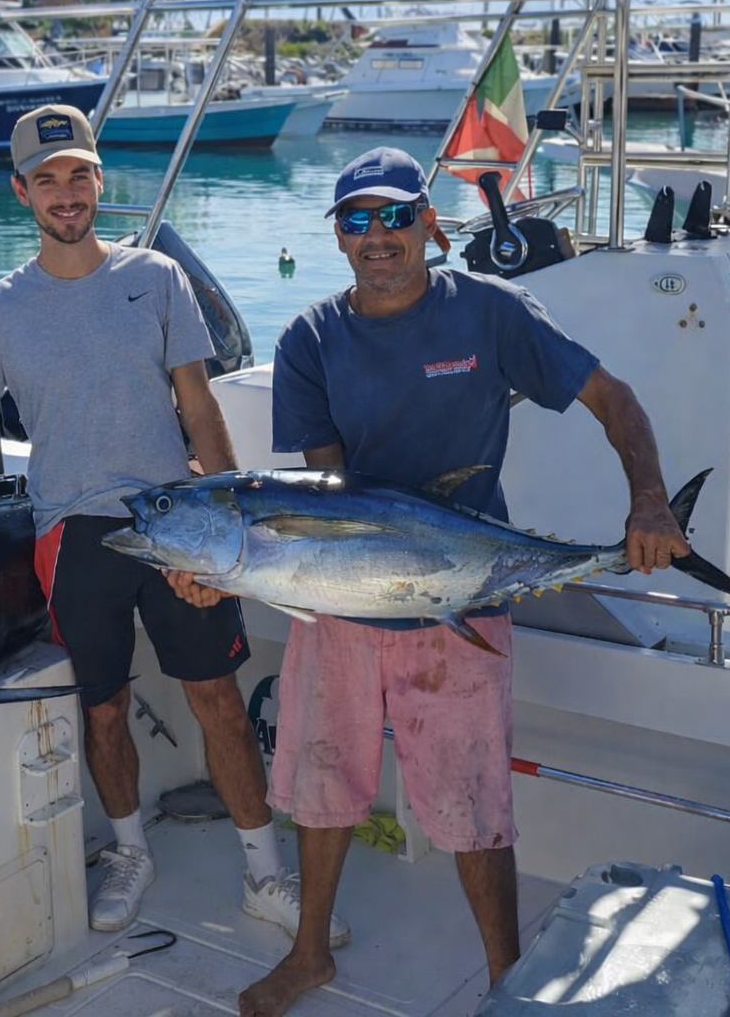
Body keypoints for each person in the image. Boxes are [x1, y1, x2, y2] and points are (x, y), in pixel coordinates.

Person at [233, 147, 693, 1017]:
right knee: (323, 781)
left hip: (466, 599)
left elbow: (614, 398)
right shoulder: (309, 339)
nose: (379, 236)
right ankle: (308, 955)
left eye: (396, 215)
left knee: (476, 801)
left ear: (431, 224)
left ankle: (505, 980)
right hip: (342, 599)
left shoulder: (490, 313)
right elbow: (336, 495)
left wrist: (651, 503)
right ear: (337, 235)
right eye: (358, 219)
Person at [0, 104, 344, 943]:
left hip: (181, 526)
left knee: (218, 701)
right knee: (101, 708)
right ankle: (129, 852)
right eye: (47, 179)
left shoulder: (155, 279)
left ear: (100, 180)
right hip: (73, 535)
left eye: (79, 174)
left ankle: (264, 871)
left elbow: (202, 410)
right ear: (21, 191)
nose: (66, 193)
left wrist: (224, 525)